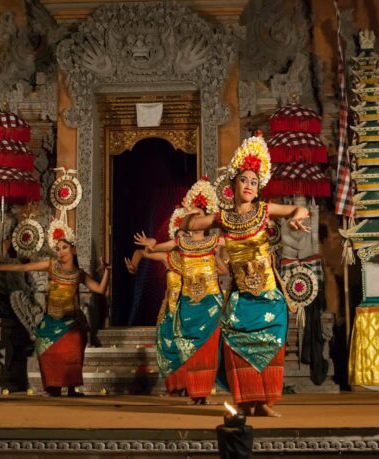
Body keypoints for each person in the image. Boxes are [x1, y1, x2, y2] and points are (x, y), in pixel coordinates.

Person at [181, 133, 308, 417]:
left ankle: (263, 402)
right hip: (241, 296)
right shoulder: (223, 218)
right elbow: (187, 225)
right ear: (233, 184)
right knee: (238, 345)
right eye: (244, 180)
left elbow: (299, 208)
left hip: (269, 294)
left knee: (271, 346)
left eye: (254, 181)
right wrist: (190, 214)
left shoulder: (264, 210)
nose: (249, 186)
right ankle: (244, 401)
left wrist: (298, 215)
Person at [0, 223, 109, 396]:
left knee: (72, 351)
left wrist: (107, 271)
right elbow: (23, 268)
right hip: (51, 321)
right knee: (46, 349)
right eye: (58, 249)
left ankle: (72, 388)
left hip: (70, 322)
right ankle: (53, 387)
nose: (61, 252)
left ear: (73, 249)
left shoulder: (79, 274)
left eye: (65, 248)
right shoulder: (51, 265)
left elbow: (100, 289)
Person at [136, 178, 227, 405]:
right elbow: (156, 248)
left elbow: (235, 251)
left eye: (198, 215)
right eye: (191, 215)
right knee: (189, 348)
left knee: (207, 349)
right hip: (188, 304)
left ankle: (203, 391)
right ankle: (195, 391)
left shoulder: (216, 241)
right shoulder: (180, 242)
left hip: (210, 303)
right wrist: (152, 243)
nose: (194, 219)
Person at [124, 244, 187, 396]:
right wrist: (134, 265)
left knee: (187, 348)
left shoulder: (198, 256)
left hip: (189, 310)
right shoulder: (168, 257)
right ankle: (174, 386)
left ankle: (189, 385)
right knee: (167, 346)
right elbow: (141, 252)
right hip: (170, 310)